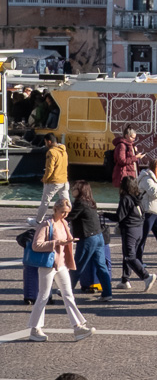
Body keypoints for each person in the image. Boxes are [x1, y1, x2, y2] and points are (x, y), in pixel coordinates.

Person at [23, 194, 94, 342]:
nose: (65, 215)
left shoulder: (64, 224)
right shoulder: (46, 225)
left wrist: (69, 242)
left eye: (67, 212)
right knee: (43, 296)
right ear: (55, 209)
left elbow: (64, 241)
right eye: (62, 212)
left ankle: (78, 327)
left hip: (61, 265)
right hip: (48, 265)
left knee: (68, 294)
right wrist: (56, 243)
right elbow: (36, 245)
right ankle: (35, 329)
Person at [65, 182, 112, 300]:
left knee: (77, 265)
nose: (72, 189)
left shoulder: (80, 203)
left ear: (80, 190)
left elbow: (69, 217)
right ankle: (107, 293)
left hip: (88, 238)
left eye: (75, 188)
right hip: (99, 236)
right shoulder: (90, 202)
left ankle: (67, 290)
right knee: (101, 266)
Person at [113, 175, 156, 293]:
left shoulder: (125, 199)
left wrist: (104, 214)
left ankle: (146, 276)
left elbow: (119, 216)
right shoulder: (137, 198)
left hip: (130, 229)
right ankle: (124, 279)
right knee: (129, 254)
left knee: (129, 256)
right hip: (139, 229)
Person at [32, 134, 69, 224]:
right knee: (66, 201)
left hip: (54, 181)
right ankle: (68, 218)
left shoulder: (51, 152)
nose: (45, 144)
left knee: (45, 201)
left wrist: (45, 178)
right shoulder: (63, 151)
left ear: (49, 141)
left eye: (45, 142)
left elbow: (49, 168)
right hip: (64, 180)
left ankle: (38, 221)